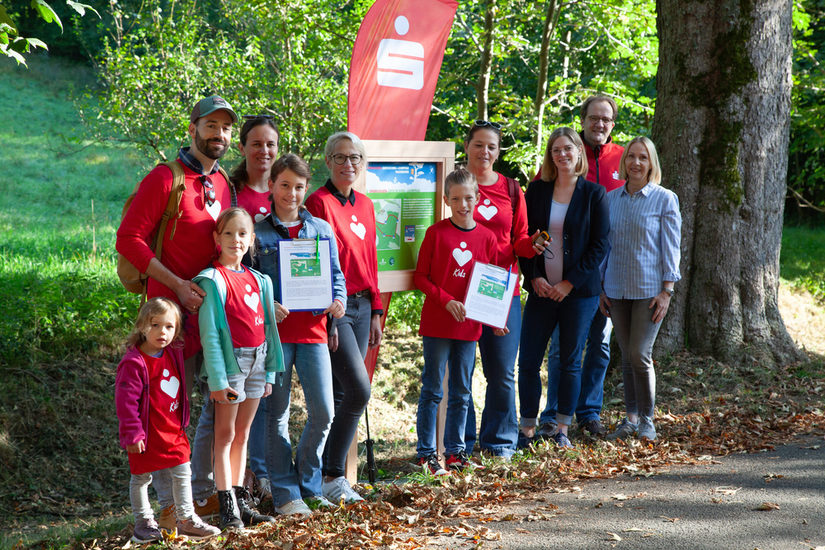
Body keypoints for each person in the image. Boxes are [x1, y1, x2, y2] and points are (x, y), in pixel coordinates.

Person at [116, 95, 238, 522]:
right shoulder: (166, 178)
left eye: (225, 128)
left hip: (210, 316)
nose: (218, 134)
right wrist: (178, 287)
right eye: (210, 125)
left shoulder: (223, 183)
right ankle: (168, 508)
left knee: (209, 405)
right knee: (162, 412)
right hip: (168, 320)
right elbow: (129, 239)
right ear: (193, 129)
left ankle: (197, 498)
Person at [250, 154, 347, 515]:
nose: (292, 193)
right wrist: (266, 303)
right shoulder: (257, 232)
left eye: (299, 186)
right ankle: (286, 493)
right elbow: (246, 283)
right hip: (274, 336)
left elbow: (337, 275)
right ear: (272, 185)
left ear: (307, 189)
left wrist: (338, 299)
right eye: (285, 185)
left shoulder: (321, 229)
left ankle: (309, 482)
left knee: (324, 410)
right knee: (276, 414)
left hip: (314, 333)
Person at [539, 95, 625, 440]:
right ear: (583, 121)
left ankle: (589, 413)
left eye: (606, 119)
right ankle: (552, 415)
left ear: (612, 124)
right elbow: (542, 211)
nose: (599, 124)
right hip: (568, 274)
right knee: (562, 347)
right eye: (593, 118)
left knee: (600, 345)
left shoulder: (623, 158)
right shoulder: (566, 155)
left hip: (608, 270)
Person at [518, 127, 610, 449]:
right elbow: (523, 239)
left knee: (570, 361)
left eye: (568, 149)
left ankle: (561, 430)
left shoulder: (594, 194)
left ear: (578, 152)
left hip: (578, 295)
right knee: (528, 361)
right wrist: (534, 279)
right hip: (542, 292)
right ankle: (528, 429)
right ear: (550, 155)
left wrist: (569, 283)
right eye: (556, 150)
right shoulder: (536, 191)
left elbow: (600, 246)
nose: (562, 155)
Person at [305, 131, 383, 504]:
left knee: (341, 392)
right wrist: (329, 317)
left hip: (365, 304)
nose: (348, 164)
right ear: (327, 162)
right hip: (336, 308)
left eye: (355, 157)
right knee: (358, 390)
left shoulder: (366, 205)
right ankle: (333, 474)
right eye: (340, 157)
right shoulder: (317, 203)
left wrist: (379, 308)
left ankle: (322, 478)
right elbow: (316, 265)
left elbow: (371, 259)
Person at [193, 207, 284, 529]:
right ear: (217, 238)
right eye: (229, 233)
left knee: (243, 434)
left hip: (258, 364)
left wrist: (270, 371)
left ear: (252, 239)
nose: (236, 240)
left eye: (243, 233)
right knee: (225, 434)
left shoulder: (260, 280)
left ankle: (240, 498)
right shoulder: (212, 280)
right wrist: (217, 380)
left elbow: (269, 329)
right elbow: (211, 337)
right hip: (232, 367)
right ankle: (226, 507)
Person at [461, 120, 540, 459]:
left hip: (500, 290)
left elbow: (519, 239)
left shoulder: (511, 189)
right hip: (460, 290)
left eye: (491, 146)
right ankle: (459, 443)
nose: (485, 152)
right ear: (467, 147)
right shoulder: (455, 184)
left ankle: (499, 442)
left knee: (502, 372)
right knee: (460, 372)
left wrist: (532, 245)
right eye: (479, 145)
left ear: (498, 151)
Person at [115, 298, 220, 543]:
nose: (163, 332)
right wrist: (132, 433)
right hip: (146, 434)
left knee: (183, 472)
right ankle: (143, 523)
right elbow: (125, 402)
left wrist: (200, 305)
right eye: (155, 325)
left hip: (172, 430)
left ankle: (186, 519)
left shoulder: (175, 351)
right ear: (142, 326)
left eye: (169, 326)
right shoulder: (134, 363)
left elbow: (196, 332)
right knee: (141, 478)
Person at [414, 169, 498, 474]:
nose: (463, 204)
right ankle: (426, 452)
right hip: (437, 323)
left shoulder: (487, 238)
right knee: (433, 388)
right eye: (456, 199)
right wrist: (445, 299)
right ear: (446, 200)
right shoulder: (436, 234)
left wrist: (494, 318)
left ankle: (455, 452)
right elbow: (420, 277)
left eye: (468, 198)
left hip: (469, 326)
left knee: (462, 390)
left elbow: (490, 284)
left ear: (477, 197)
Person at [601, 137, 681, 441]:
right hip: (616, 289)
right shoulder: (611, 199)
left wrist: (667, 290)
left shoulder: (664, 199)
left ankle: (648, 420)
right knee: (626, 355)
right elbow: (605, 248)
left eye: (643, 158)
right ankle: (630, 419)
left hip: (650, 291)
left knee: (639, 354)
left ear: (651, 164)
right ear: (624, 163)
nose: (636, 163)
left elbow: (671, 247)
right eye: (631, 157)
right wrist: (600, 287)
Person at [231, 115, 280, 223]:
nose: (264, 151)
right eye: (257, 144)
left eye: (270, 144)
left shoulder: (286, 190)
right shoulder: (229, 191)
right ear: (242, 148)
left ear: (277, 148)